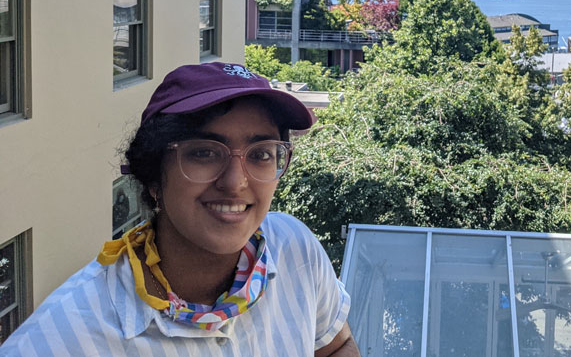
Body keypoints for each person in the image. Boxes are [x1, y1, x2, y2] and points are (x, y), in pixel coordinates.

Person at [0, 63, 360, 356]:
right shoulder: (62, 338)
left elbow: (336, 344)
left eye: (262, 153)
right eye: (203, 152)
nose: (235, 182)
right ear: (154, 176)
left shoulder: (296, 249)